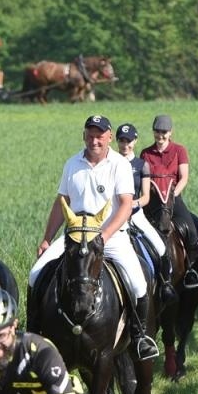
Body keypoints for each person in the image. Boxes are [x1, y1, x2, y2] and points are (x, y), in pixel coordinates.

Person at [30, 115, 161, 362]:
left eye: (99, 136)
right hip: (75, 236)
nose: (94, 141)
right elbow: (62, 202)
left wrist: (105, 235)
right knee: (36, 273)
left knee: (138, 283)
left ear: (109, 137)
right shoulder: (72, 164)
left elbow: (125, 205)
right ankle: (33, 332)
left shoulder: (119, 165)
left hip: (110, 237)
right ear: (84, 136)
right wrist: (47, 239)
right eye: (90, 136)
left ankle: (140, 336)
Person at [115, 122, 175, 304]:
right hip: (115, 215)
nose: (125, 145)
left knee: (161, 247)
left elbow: (146, 197)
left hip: (135, 215)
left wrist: (131, 204)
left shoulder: (142, 165)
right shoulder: (111, 163)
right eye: (121, 141)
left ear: (135, 141)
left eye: (128, 141)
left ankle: (165, 285)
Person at [140, 114, 198, 288]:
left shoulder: (179, 150)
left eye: (164, 132)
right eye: (157, 131)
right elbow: (144, 179)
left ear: (170, 132)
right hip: (153, 200)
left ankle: (190, 269)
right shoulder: (146, 153)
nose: (160, 135)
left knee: (192, 232)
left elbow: (184, 177)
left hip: (173, 197)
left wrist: (172, 196)